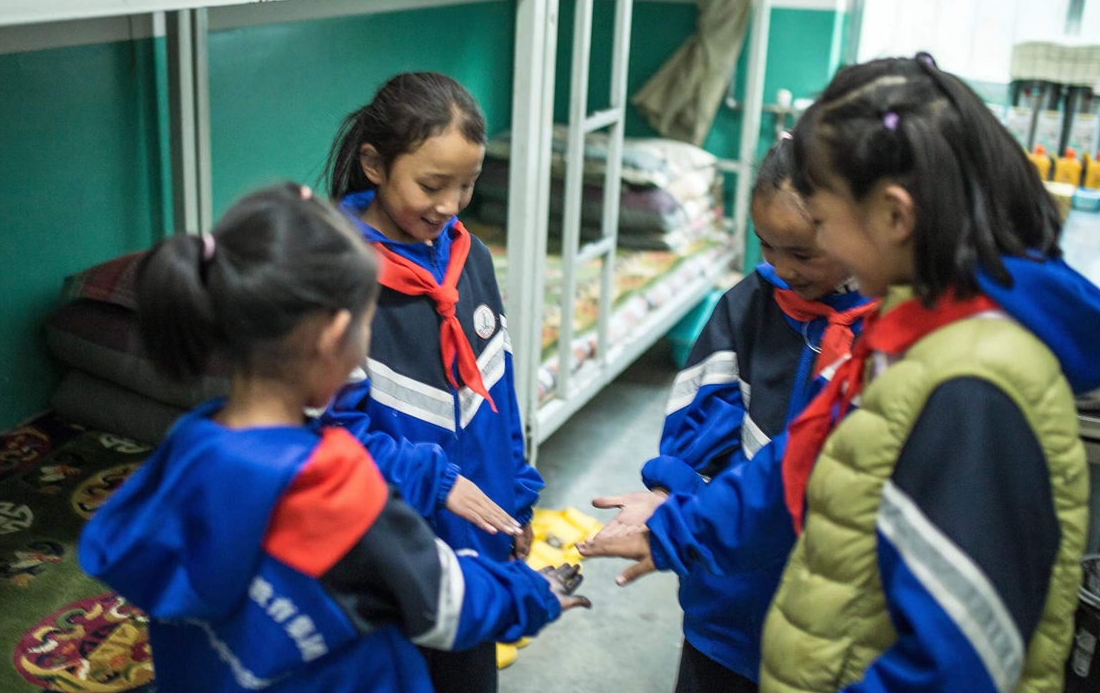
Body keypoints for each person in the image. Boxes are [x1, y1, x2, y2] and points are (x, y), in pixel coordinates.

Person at [582, 53, 1100, 693]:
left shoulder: (974, 385)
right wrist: (676, 527)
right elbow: (806, 462)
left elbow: (959, 659)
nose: (807, 258)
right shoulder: (914, 331)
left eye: (824, 226)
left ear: (894, 215)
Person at [78, 183, 589, 693]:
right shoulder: (331, 484)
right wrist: (532, 591)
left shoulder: (189, 446)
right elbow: (446, 604)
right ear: (333, 337)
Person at [600, 136, 873, 693]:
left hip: (826, 611)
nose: (780, 267)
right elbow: (698, 425)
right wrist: (673, 492)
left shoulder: (885, 337)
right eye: (766, 246)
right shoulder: (748, 307)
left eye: (802, 253)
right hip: (726, 599)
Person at [321, 72, 541, 692]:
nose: (448, 206)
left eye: (466, 186)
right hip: (389, 553)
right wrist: (434, 480)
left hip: (470, 547)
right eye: (431, 185)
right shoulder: (338, 277)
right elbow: (331, 435)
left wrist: (514, 497)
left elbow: (497, 390)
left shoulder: (470, 257)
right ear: (373, 164)